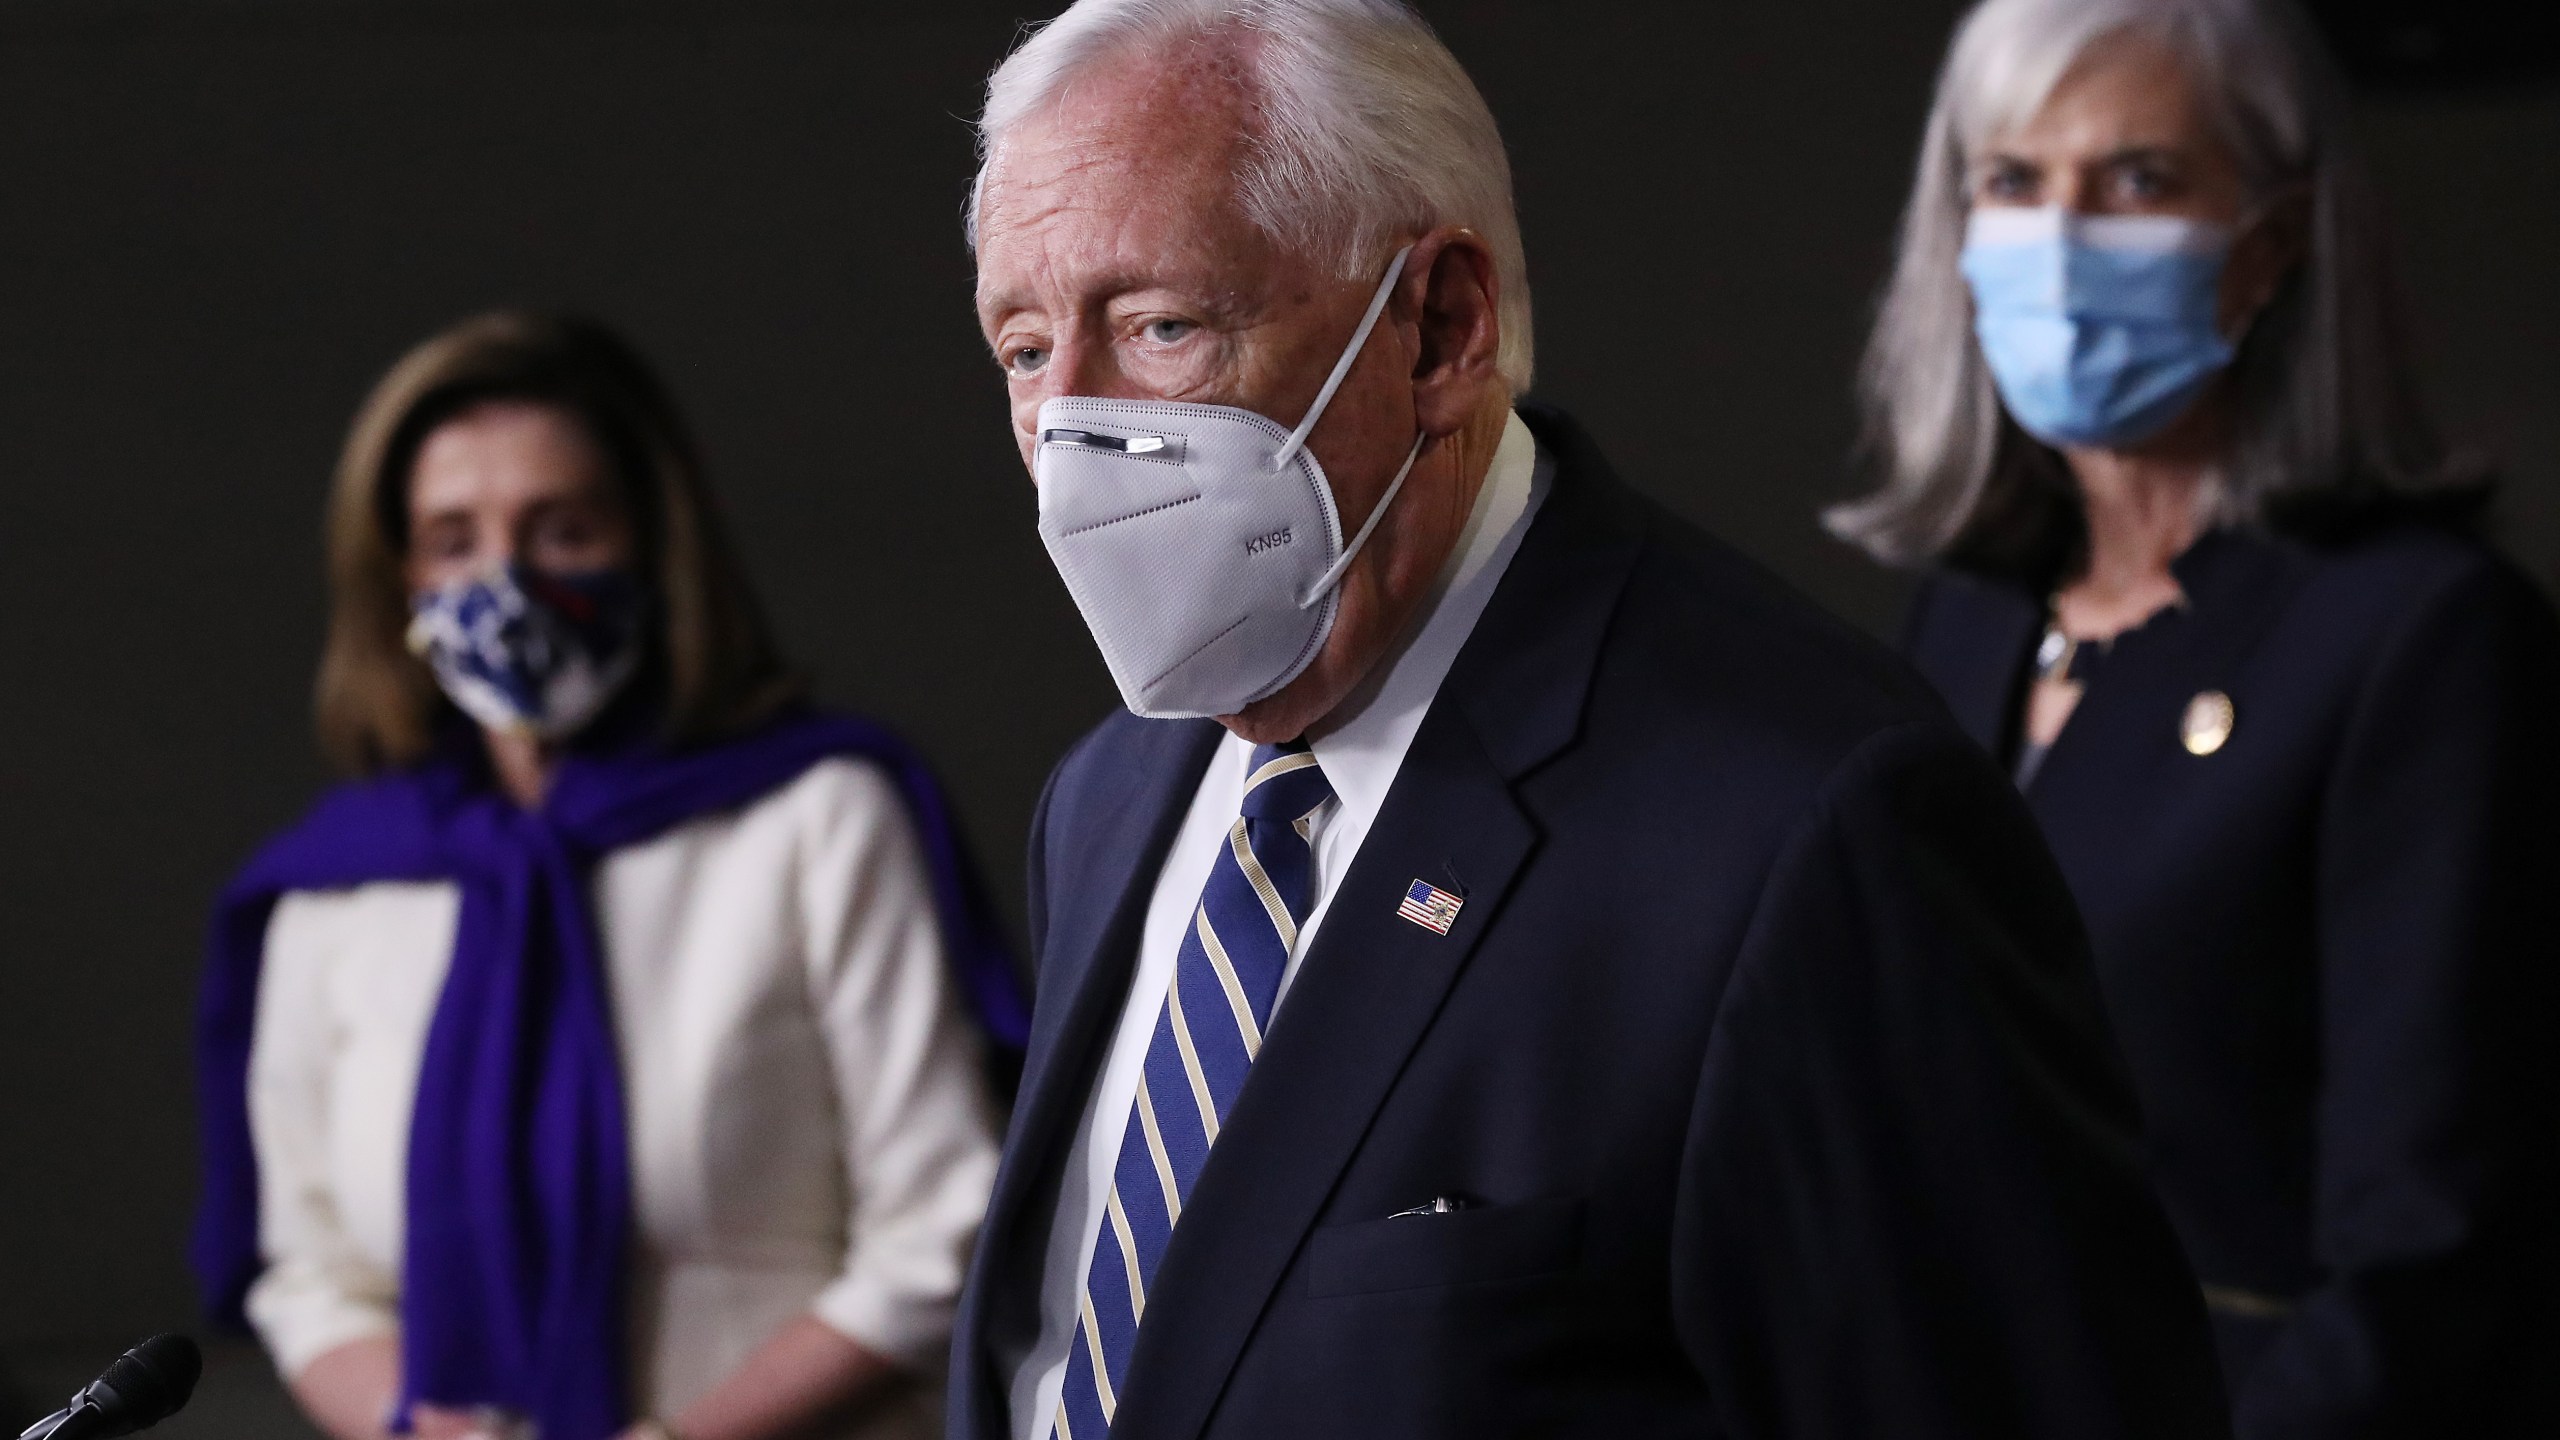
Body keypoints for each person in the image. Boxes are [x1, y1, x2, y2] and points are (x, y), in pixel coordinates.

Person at [946, 2, 2233, 1437]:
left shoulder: (1807, 829)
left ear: (1440, 325)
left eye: (1161, 326)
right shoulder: (1109, 798)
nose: (1073, 438)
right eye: (1022, 351)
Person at [1828, 0, 2560, 1433]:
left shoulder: (2425, 641)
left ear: (2273, 248)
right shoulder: (1972, 612)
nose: (2061, 236)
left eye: (2142, 180)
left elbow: (2437, 1260)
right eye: (2015, 181)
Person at [191, 312, 1028, 1440]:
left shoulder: (815, 819)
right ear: (396, 578)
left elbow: (945, 1225)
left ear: (651, 544)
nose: (509, 585)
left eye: (563, 530)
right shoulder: (338, 888)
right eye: (453, 540)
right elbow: (310, 1275)